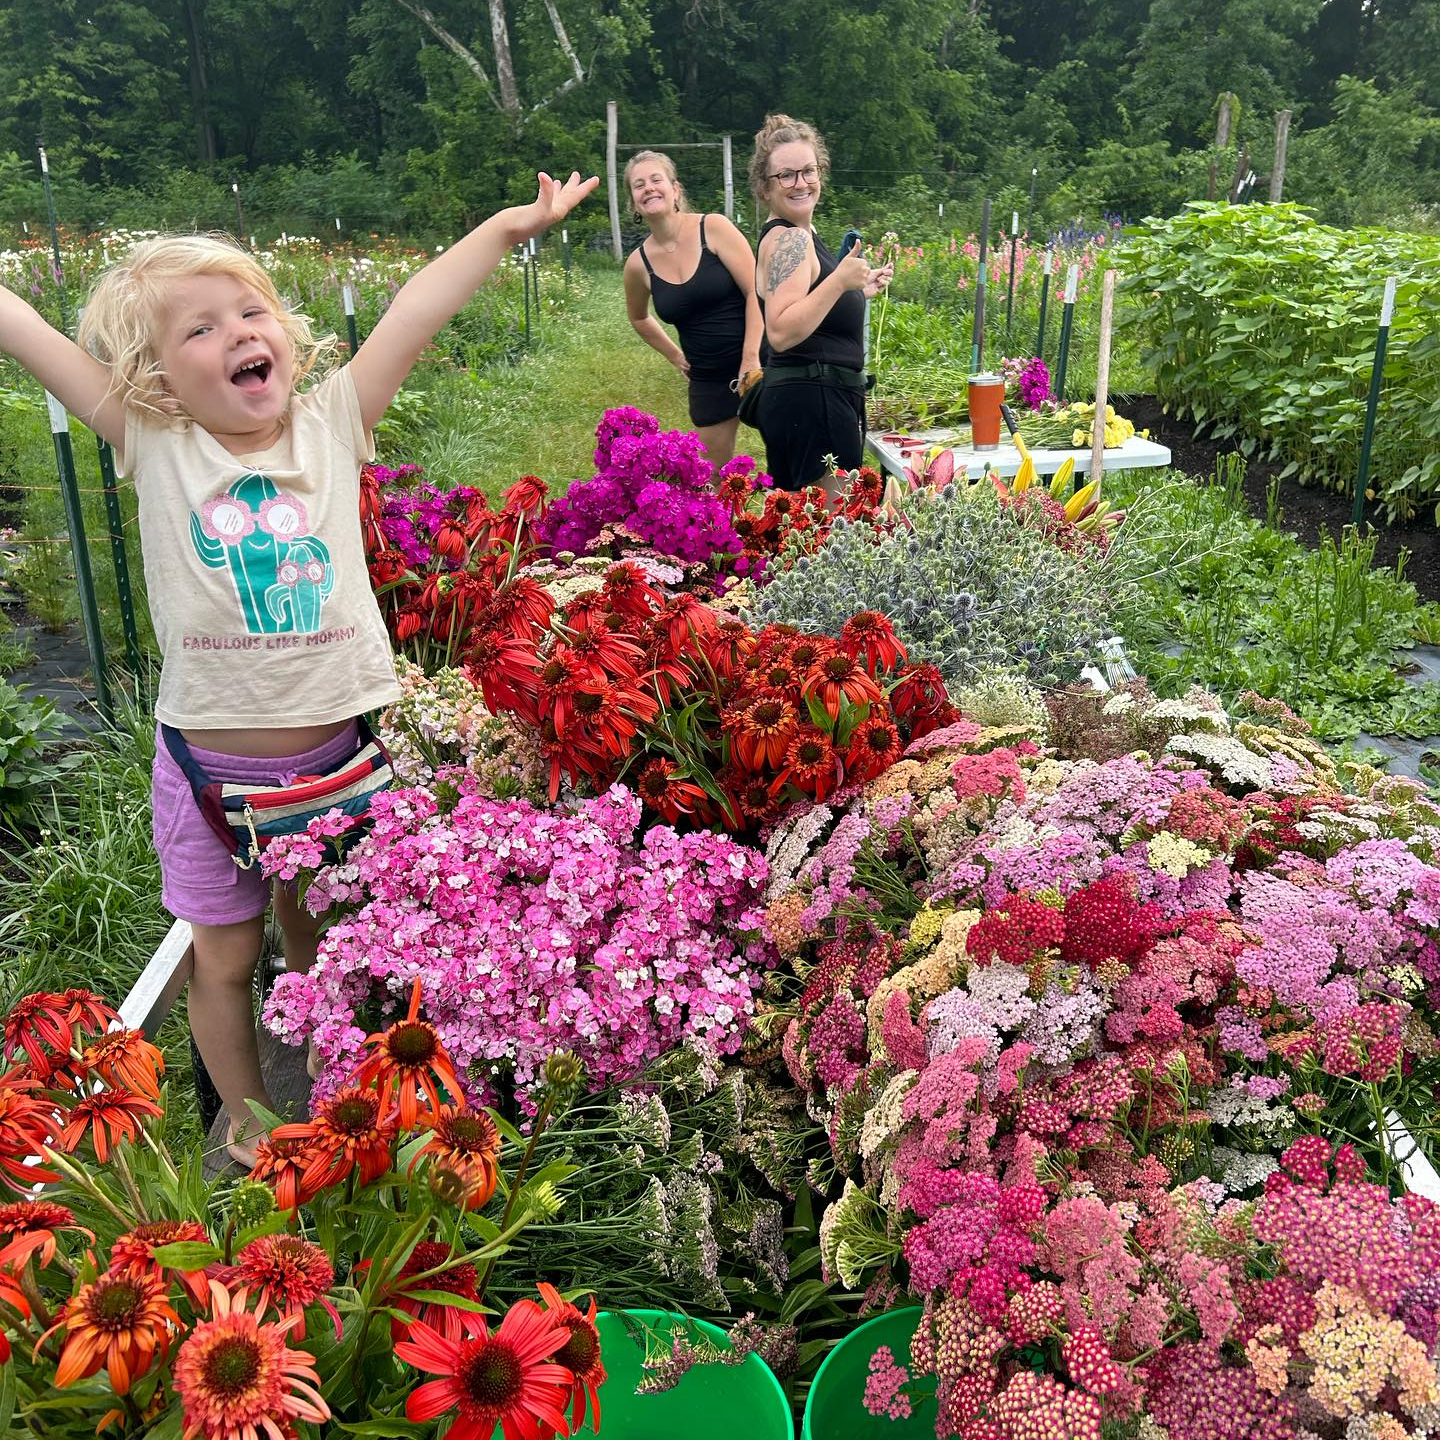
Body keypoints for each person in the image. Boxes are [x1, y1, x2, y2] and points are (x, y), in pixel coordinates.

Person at [0, 171, 596, 1165]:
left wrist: (505, 225)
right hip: (207, 773)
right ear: (152, 378)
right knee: (222, 956)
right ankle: (244, 1118)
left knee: (320, 934)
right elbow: (31, 338)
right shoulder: (153, 441)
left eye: (249, 311)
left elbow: (415, 310)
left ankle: (333, 1088)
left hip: (336, 758)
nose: (238, 332)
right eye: (200, 329)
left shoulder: (332, 422)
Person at [749, 115, 892, 491]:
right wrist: (840, 282)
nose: (801, 183)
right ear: (765, 187)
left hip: (815, 404)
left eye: (808, 171)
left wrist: (855, 290)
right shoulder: (790, 240)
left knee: (815, 537)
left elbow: (810, 305)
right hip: (814, 408)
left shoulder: (801, 236)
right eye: (786, 175)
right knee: (828, 540)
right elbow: (780, 331)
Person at [622, 150, 761, 468]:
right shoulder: (637, 265)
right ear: (633, 202)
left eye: (656, 179)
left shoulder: (712, 228)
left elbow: (756, 290)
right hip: (708, 378)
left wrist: (751, 358)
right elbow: (638, 318)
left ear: (676, 190)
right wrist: (675, 357)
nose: (649, 188)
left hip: (759, 360)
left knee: (791, 461)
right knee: (711, 476)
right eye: (639, 184)